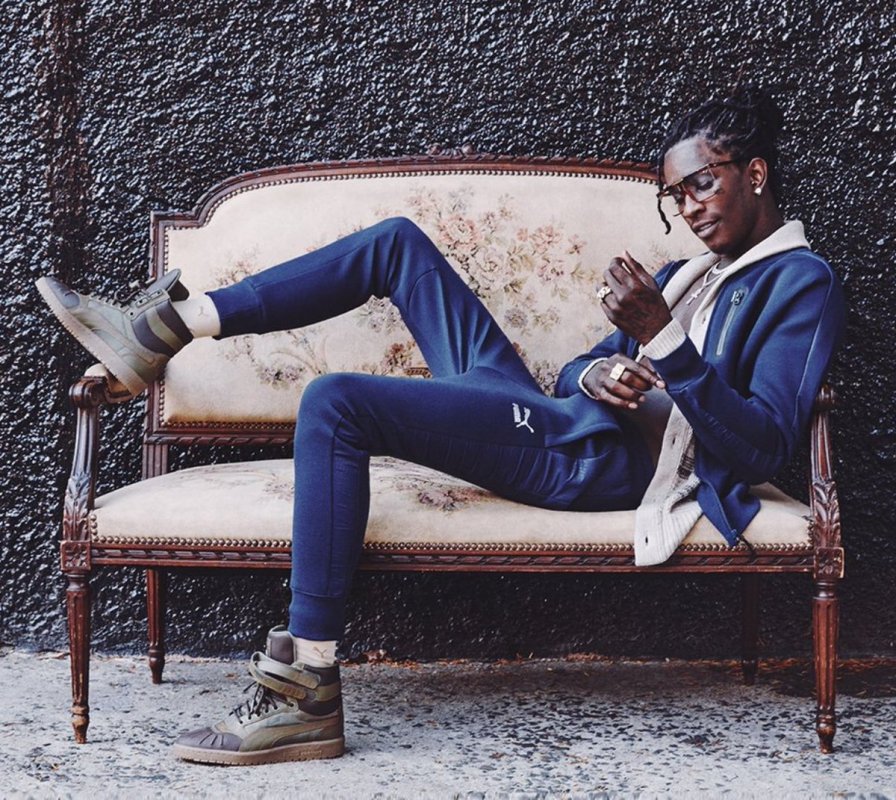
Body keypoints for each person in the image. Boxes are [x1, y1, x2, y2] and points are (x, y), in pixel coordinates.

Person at [37, 86, 845, 766]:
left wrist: (662, 339)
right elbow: (575, 370)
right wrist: (597, 372)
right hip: (561, 414)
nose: (688, 208)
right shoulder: (690, 274)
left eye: (700, 185)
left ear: (755, 173)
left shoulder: (800, 282)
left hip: (587, 460)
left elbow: (765, 444)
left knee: (336, 401)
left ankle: (307, 686)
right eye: (675, 197)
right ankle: (167, 328)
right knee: (397, 244)